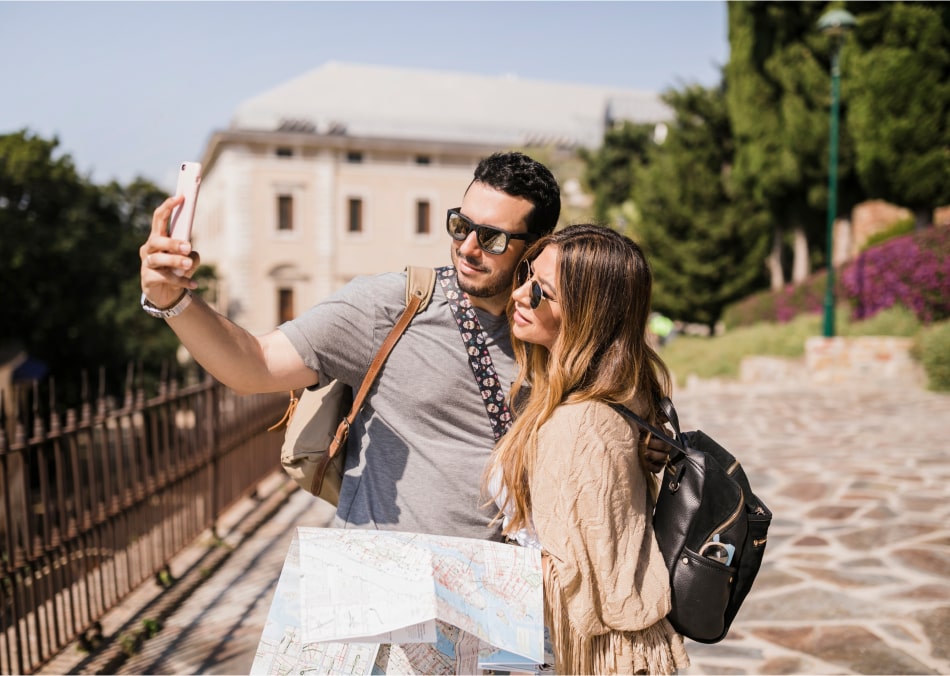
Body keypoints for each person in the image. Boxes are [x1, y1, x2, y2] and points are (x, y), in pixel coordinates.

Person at [140, 151, 669, 541]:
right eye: (460, 225)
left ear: (536, 248)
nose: (466, 248)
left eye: (492, 238)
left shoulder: (555, 328)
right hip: (388, 596)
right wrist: (173, 301)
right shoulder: (390, 305)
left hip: (507, 609)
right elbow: (253, 365)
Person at [485, 224, 690, 674]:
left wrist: (457, 574)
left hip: (595, 657)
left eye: (541, 292)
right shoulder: (607, 394)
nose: (519, 294)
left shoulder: (579, 424)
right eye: (526, 277)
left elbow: (579, 586)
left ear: (586, 314)